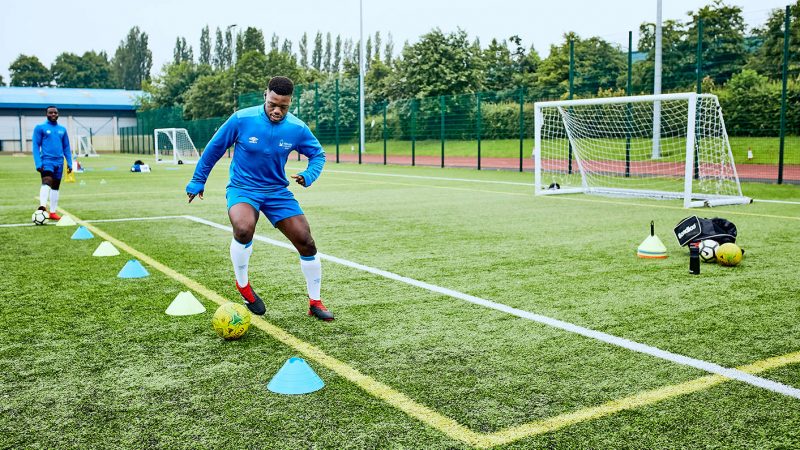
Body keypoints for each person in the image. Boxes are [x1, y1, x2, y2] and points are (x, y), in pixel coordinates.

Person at [186, 76, 333, 321]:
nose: (277, 110)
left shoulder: (296, 128)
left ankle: (315, 302)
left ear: (290, 103)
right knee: (243, 229)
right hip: (243, 188)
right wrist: (198, 179)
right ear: (265, 95)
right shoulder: (242, 119)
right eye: (273, 104)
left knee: (306, 241)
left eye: (283, 106)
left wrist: (309, 175)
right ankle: (243, 286)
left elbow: (318, 154)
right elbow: (214, 148)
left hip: (277, 191)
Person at [32, 106, 72, 220]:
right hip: (46, 161)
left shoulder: (62, 129)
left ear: (58, 114)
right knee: (47, 181)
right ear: (46, 114)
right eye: (51, 113)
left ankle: (53, 212)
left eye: (55, 112)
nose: (53, 114)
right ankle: (42, 207)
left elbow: (66, 147)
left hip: (59, 162)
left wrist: (69, 163)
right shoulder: (40, 128)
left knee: (55, 186)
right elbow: (35, 146)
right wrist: (38, 163)